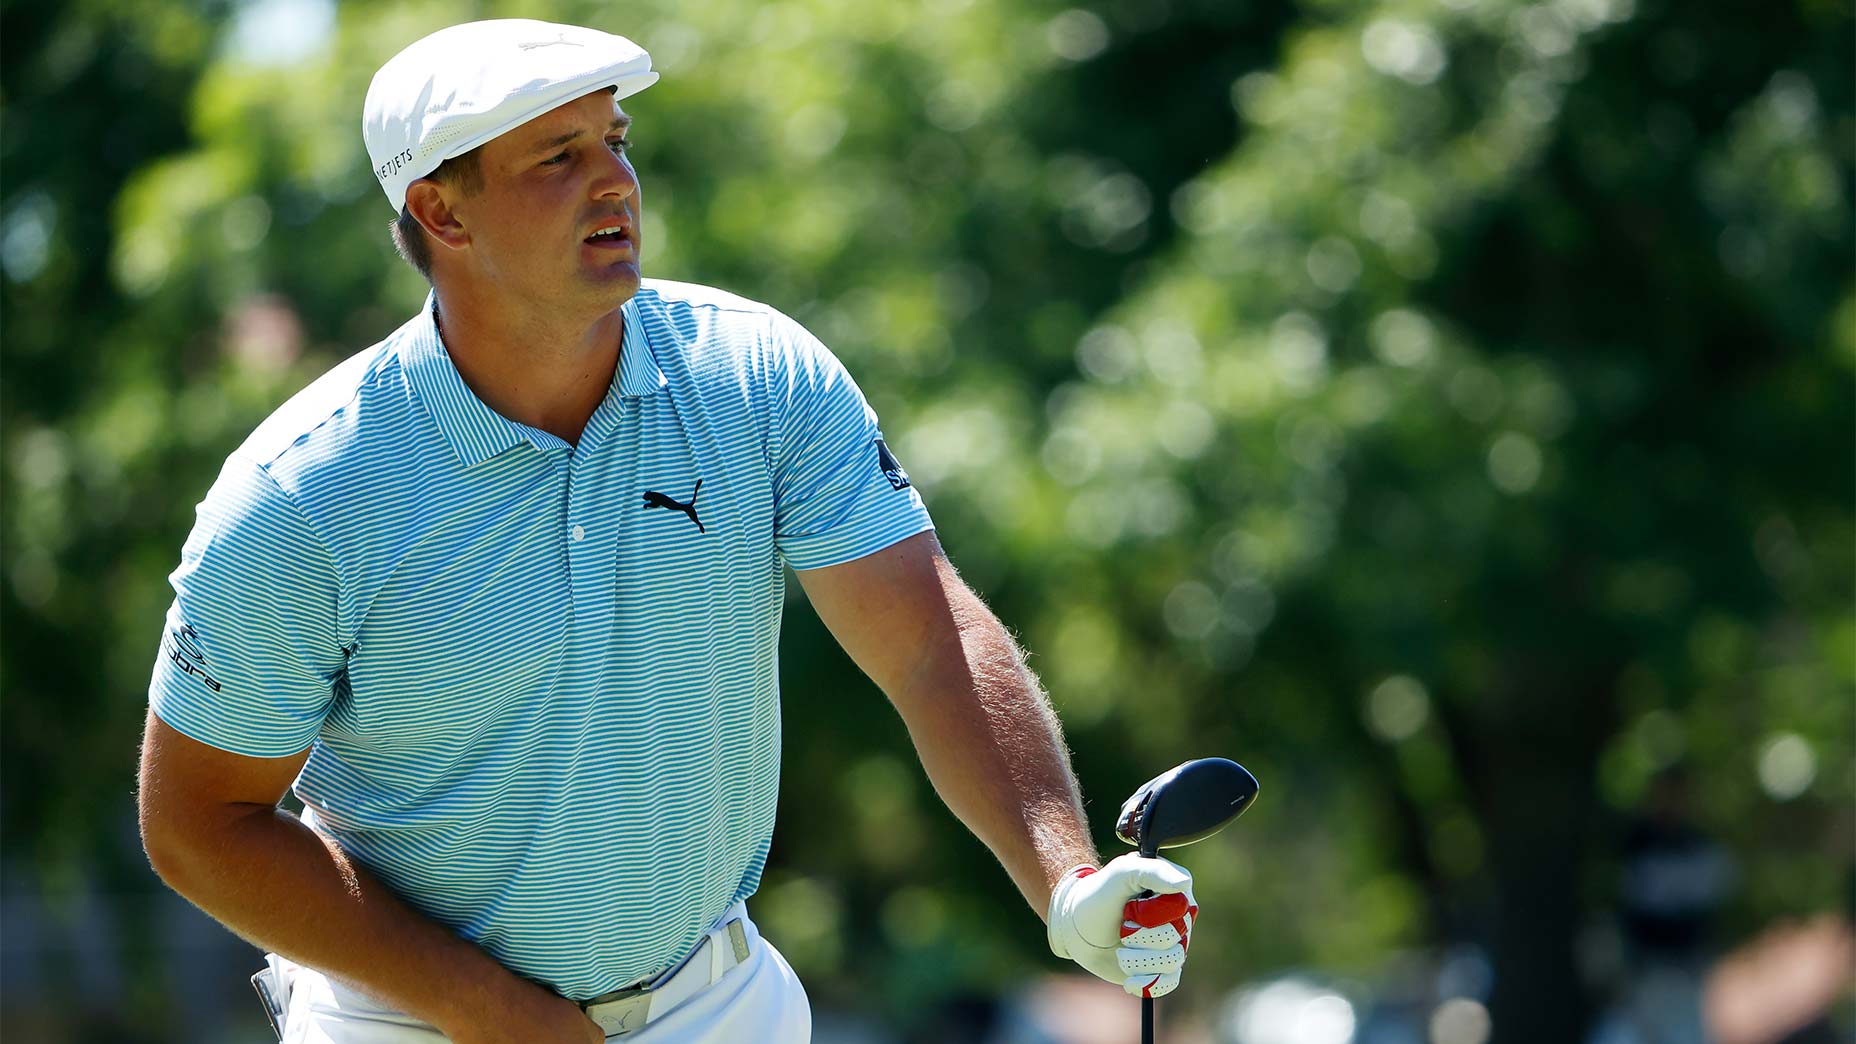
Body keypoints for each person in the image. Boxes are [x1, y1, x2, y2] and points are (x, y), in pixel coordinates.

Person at [136, 19, 1200, 1043]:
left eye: (614, 141)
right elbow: (198, 823)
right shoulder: (301, 495)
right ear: (442, 214)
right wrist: (484, 1009)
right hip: (415, 1023)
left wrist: (1064, 880)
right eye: (558, 156)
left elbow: (928, 644)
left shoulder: (757, 376)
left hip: (713, 1003)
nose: (614, 182)